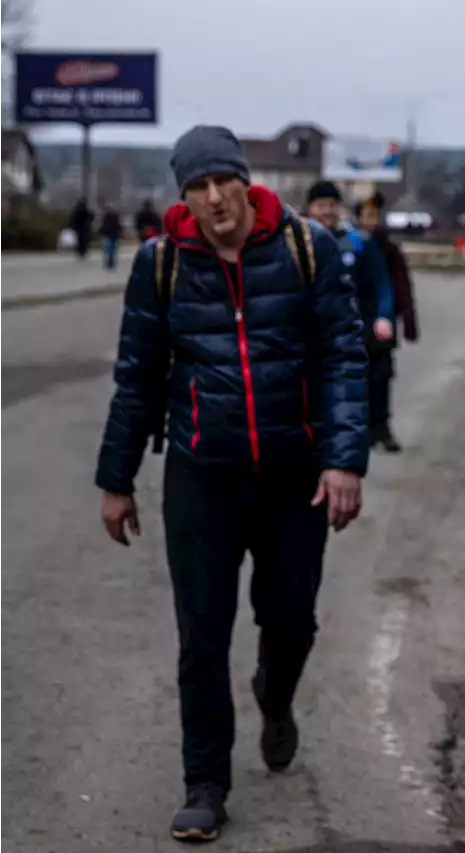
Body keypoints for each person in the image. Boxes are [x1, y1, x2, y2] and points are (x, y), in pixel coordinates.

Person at [94, 125, 370, 842]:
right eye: (197, 187)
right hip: (201, 477)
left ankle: (275, 699)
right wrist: (115, 478)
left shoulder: (310, 248)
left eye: (224, 182)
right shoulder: (162, 264)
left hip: (292, 476)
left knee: (292, 621)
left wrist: (344, 459)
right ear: (183, 194)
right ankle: (205, 782)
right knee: (201, 635)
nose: (214, 198)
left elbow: (344, 356)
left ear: (245, 182)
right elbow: (137, 380)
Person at [305, 181, 398, 451]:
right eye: (321, 206)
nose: (327, 212)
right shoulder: (297, 242)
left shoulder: (357, 242)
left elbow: (381, 282)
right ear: (309, 209)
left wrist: (383, 317)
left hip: (355, 328)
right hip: (312, 331)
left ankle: (374, 430)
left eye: (332, 206)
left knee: (371, 379)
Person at [356, 194, 419, 453]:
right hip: (355, 325)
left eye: (375, 216)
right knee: (359, 379)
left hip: (382, 325)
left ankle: (382, 427)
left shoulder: (388, 249)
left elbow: (401, 286)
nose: (371, 221)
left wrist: (409, 321)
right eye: (367, 216)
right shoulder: (349, 246)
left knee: (382, 377)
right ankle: (364, 429)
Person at [99, 203, 123, 270]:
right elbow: (118, 226)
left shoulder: (105, 217)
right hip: (113, 234)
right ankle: (111, 262)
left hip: (107, 234)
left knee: (107, 249)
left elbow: (103, 226)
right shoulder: (115, 216)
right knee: (112, 249)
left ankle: (108, 263)